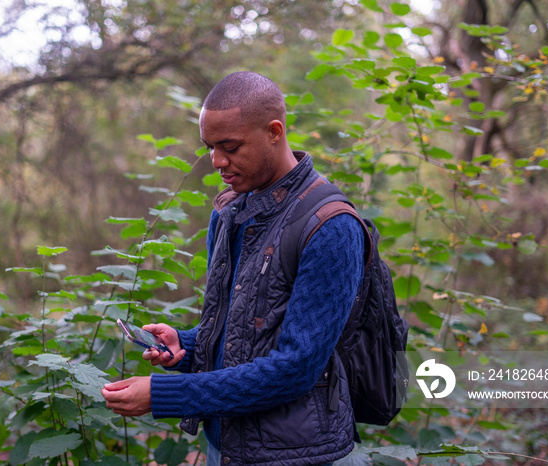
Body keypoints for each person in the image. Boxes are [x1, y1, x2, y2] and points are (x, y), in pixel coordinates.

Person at [102, 71, 365, 465]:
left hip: (297, 454)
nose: (217, 162)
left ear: (274, 131)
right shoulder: (229, 212)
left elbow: (297, 368)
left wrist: (164, 396)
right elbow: (246, 330)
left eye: (230, 146)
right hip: (224, 446)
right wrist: (187, 345)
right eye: (209, 147)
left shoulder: (331, 225)